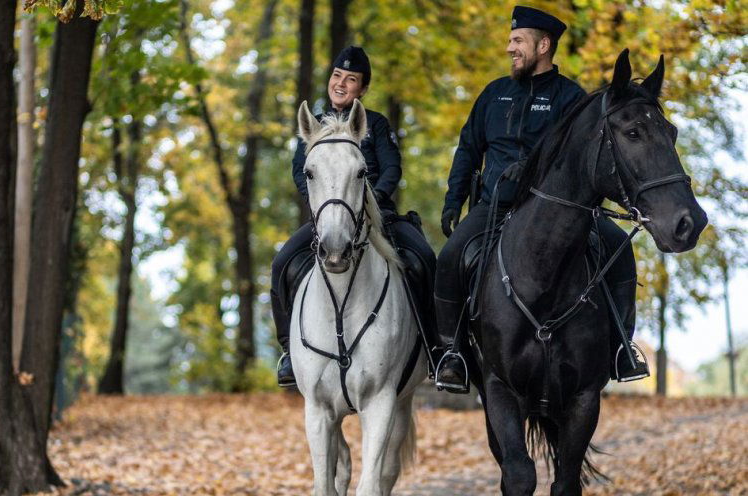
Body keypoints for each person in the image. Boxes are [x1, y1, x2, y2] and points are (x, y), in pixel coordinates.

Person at [434, 6, 649, 393]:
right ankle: (452, 353)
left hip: (560, 209)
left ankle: (622, 348)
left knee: (619, 247)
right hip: (495, 205)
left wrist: (532, 167)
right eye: (510, 40)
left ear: (543, 44)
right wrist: (453, 200)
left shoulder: (571, 98)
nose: (509, 48)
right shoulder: (494, 94)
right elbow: (468, 148)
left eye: (517, 41)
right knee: (450, 256)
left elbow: (584, 155)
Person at [270, 46, 438, 387]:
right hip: (329, 217)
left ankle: (436, 349)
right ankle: (289, 351)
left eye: (351, 79)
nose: (341, 84)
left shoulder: (374, 123)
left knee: (424, 260)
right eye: (336, 76)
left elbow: (392, 168)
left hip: (379, 216)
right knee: (282, 264)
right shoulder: (314, 125)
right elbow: (299, 172)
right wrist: (325, 207)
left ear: (362, 89)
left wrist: (368, 202)